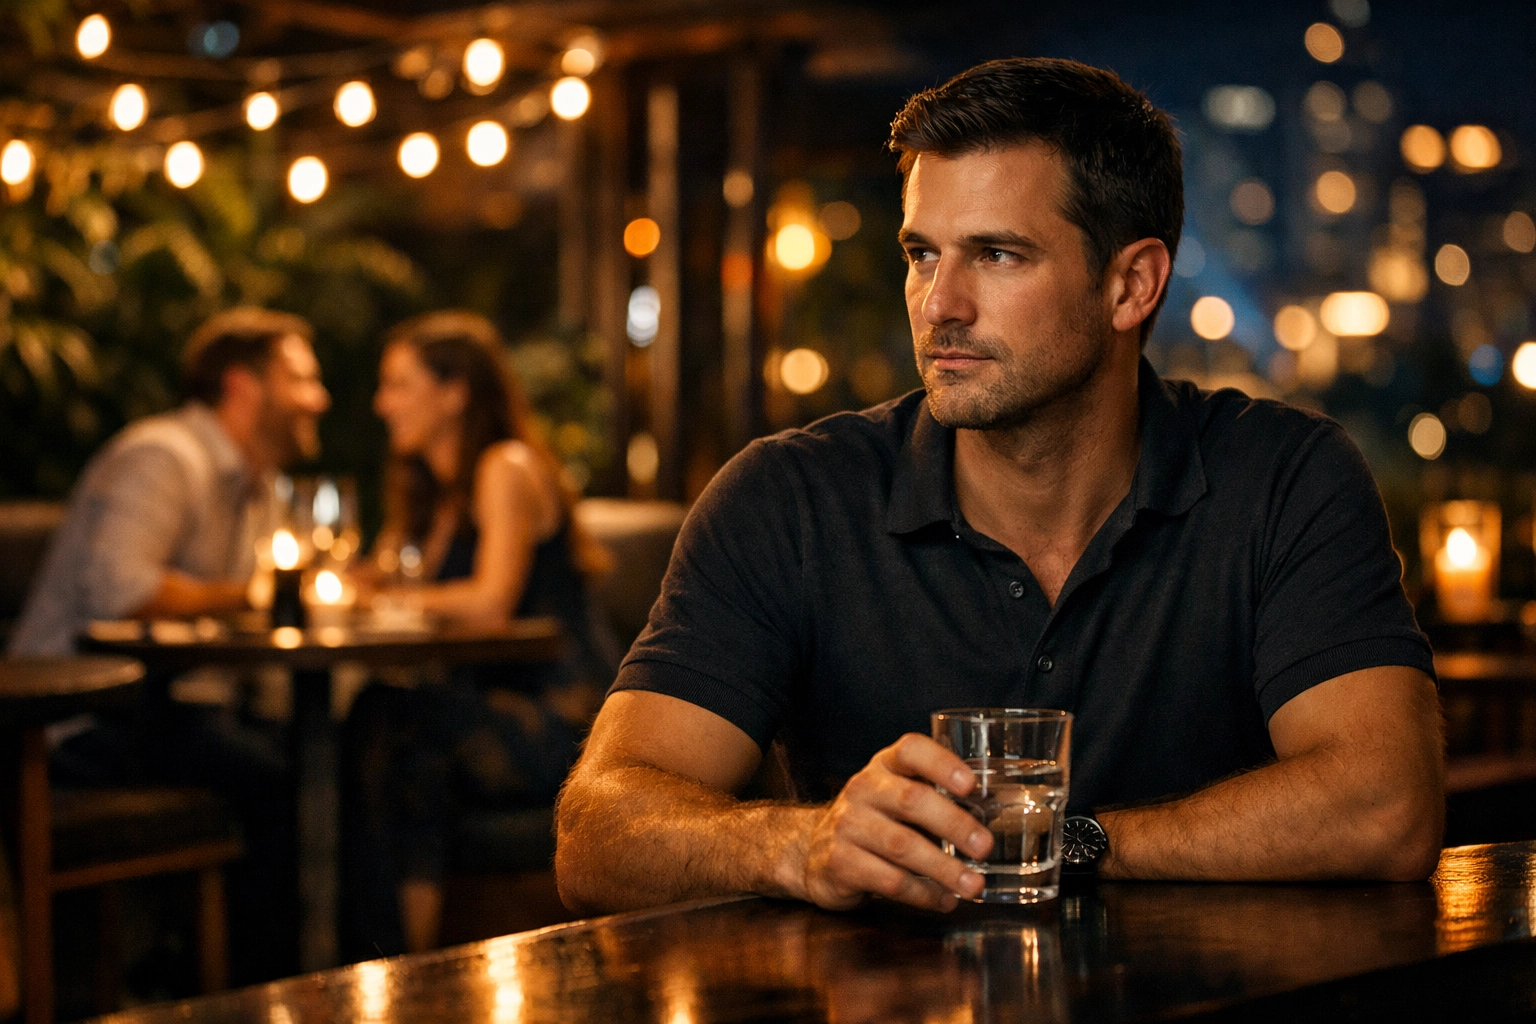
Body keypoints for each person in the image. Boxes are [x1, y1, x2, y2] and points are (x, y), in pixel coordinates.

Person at [554, 57, 1444, 916]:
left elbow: (1385, 808)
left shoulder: (1283, 478)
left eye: (997, 255)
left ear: (1132, 284)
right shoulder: (789, 499)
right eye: (921, 253)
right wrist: (802, 844)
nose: (940, 303)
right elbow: (598, 833)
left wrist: (1059, 842)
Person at [8, 306, 328, 981]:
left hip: (164, 707)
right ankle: (264, 990)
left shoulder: (254, 483)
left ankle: (270, 979)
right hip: (69, 723)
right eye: (301, 378)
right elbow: (122, 592)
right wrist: (253, 594)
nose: (319, 398)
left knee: (308, 752)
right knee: (272, 777)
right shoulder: (162, 455)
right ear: (243, 385)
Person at [343, 311, 617, 956]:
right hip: (474, 706)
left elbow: (490, 603)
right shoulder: (428, 493)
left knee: (397, 729)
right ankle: (383, 956)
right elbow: (380, 579)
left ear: (454, 391)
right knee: (381, 722)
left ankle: (394, 962)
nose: (383, 404)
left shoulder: (506, 466)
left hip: (557, 715)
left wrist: (382, 594)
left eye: (398, 385)